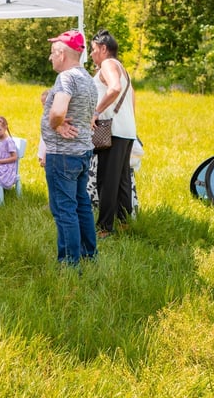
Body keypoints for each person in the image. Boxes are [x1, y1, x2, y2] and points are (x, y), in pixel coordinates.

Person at [42, 30, 98, 266]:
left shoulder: (66, 78)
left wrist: (56, 125)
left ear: (62, 53)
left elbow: (57, 110)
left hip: (63, 154)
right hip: (82, 151)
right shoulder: (87, 77)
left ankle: (69, 263)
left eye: (53, 53)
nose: (50, 58)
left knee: (64, 209)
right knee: (81, 204)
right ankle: (88, 253)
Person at [90, 29, 137, 238]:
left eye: (93, 50)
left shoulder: (108, 64)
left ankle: (105, 228)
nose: (91, 55)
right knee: (122, 179)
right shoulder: (122, 68)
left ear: (103, 48)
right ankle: (124, 223)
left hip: (112, 129)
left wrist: (96, 112)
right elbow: (132, 96)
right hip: (126, 129)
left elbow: (115, 88)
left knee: (106, 180)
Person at [37, 90, 49, 168]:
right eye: (42, 104)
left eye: (45, 104)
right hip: (45, 153)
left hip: (48, 154)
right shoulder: (46, 116)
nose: (43, 107)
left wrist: (44, 156)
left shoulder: (52, 118)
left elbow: (51, 139)